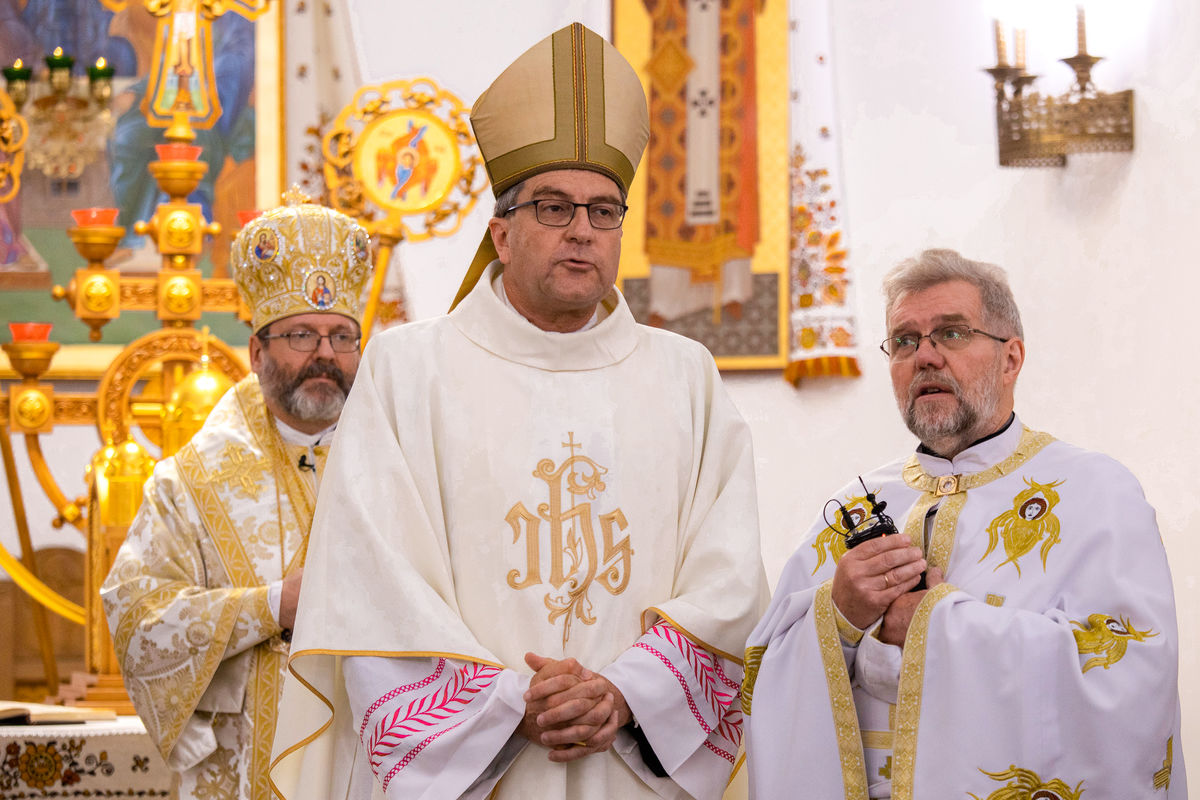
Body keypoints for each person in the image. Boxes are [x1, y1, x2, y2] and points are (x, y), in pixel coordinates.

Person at [269, 23, 767, 800]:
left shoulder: (685, 377)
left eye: (605, 212)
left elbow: (730, 581)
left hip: (632, 764)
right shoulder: (409, 368)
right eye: (554, 206)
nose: (581, 230)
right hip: (473, 774)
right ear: (501, 232)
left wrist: (626, 692)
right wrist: (509, 704)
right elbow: (370, 583)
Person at [742, 249, 1186, 798]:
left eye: (950, 333)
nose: (924, 356)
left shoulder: (1096, 493)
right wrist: (839, 616)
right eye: (904, 341)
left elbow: (1131, 675)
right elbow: (757, 678)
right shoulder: (852, 507)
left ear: (1011, 358)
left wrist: (932, 623)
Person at [101, 195, 373, 799]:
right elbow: (136, 619)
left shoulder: (399, 464)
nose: (325, 354)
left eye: (342, 336)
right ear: (257, 352)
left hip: (372, 762)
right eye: (302, 334)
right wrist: (272, 606)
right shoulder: (189, 484)